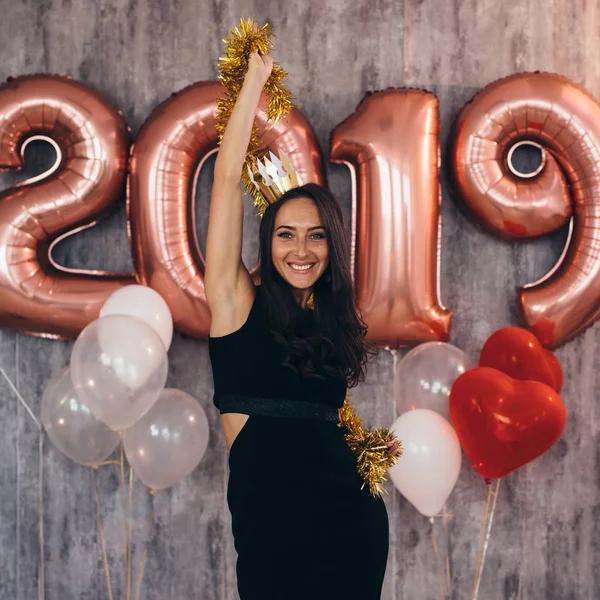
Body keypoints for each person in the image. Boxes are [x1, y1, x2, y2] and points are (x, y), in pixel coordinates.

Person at [205, 49, 399, 600]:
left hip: (352, 524)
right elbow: (224, 180)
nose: (301, 249)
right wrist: (255, 84)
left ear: (331, 245)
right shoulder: (237, 301)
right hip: (273, 530)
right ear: (267, 242)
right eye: (286, 233)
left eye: (316, 235)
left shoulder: (329, 323)